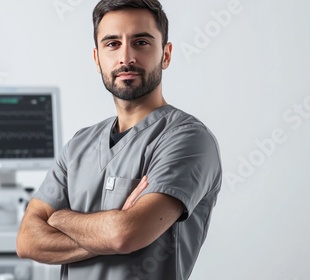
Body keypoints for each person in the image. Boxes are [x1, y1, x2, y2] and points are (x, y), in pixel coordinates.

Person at [16, 0, 222, 279]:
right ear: (97, 57)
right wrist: (110, 229)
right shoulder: (79, 145)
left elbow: (124, 235)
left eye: (141, 42)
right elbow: (27, 241)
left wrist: (60, 219)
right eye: (112, 44)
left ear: (166, 54)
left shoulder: (187, 139)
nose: (126, 58)